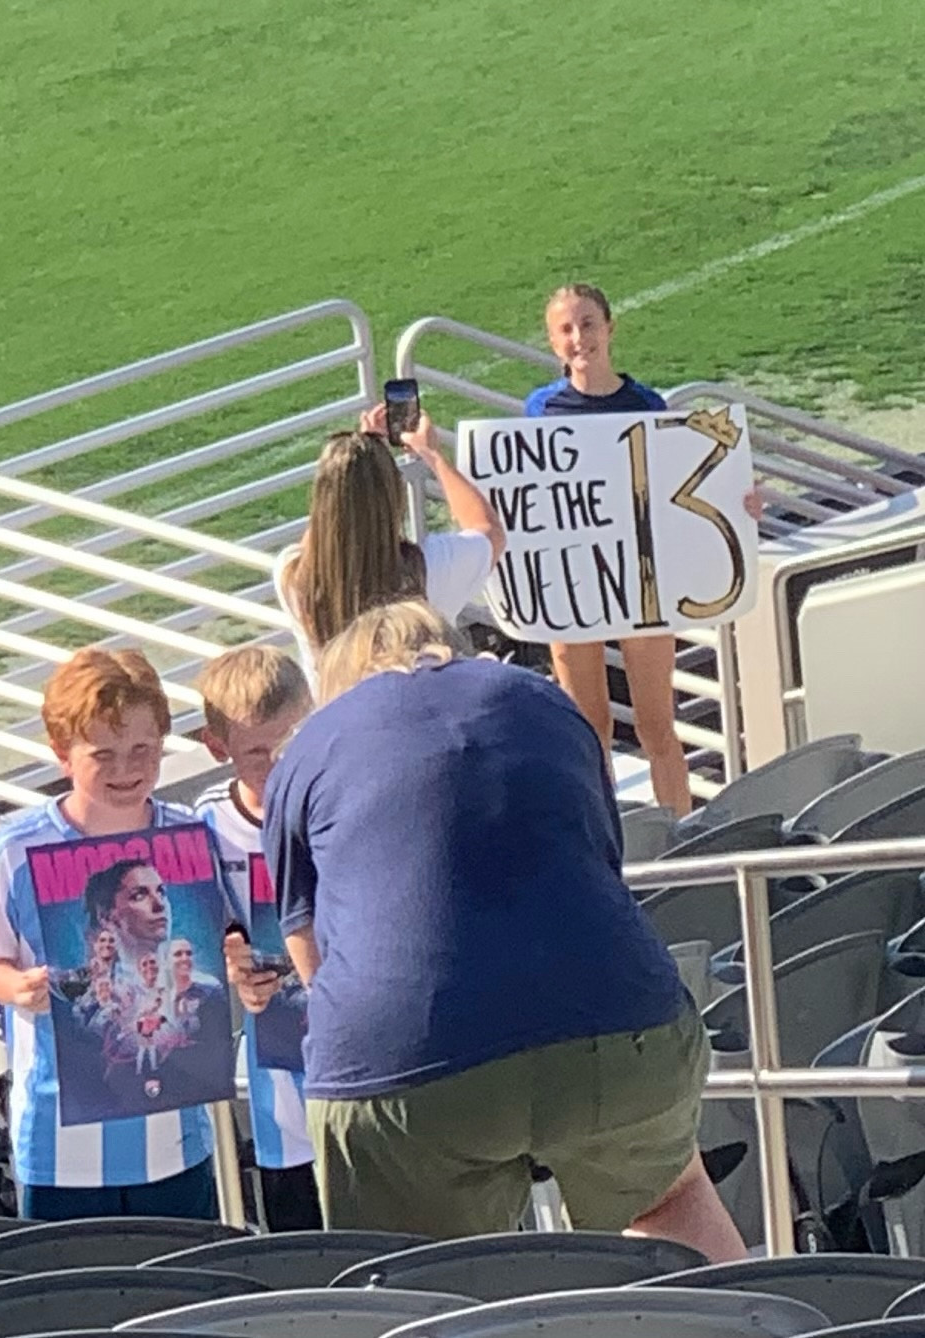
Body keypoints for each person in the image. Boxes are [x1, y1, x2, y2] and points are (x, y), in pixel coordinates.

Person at [263, 600, 746, 1260]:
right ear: (451, 648)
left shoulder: (309, 748)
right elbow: (602, 861)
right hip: (616, 1014)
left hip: (404, 1056)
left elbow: (312, 951)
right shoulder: (541, 698)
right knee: (670, 1199)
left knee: (419, 1277)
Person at [0, 646, 217, 1222]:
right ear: (61, 753)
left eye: (143, 750)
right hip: (61, 1141)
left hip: (172, 1133)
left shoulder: (192, 838)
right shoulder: (16, 851)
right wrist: (16, 987)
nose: (127, 768)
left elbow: (224, 939)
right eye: (104, 754)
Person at [525, 282, 763, 817]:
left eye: (587, 324)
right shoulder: (539, 409)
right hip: (577, 579)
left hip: (642, 576)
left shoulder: (647, 405)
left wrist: (737, 502)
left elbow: (683, 488)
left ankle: (682, 837)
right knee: (591, 735)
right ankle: (609, 849)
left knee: (657, 725)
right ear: (551, 341)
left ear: (610, 329)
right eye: (566, 328)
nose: (578, 337)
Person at [195, 644, 322, 1232]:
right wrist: (232, 962)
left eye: (290, 744)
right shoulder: (207, 825)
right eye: (257, 754)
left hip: (361, 1033)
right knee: (297, 1211)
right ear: (217, 749)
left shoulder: (344, 794)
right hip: (276, 1051)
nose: (278, 766)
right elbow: (207, 927)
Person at [274, 405, 505, 687]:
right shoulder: (430, 567)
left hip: (334, 721)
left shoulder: (293, 575)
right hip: (418, 719)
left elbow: (325, 529)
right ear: (395, 497)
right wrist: (433, 455)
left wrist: (353, 458)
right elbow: (489, 531)